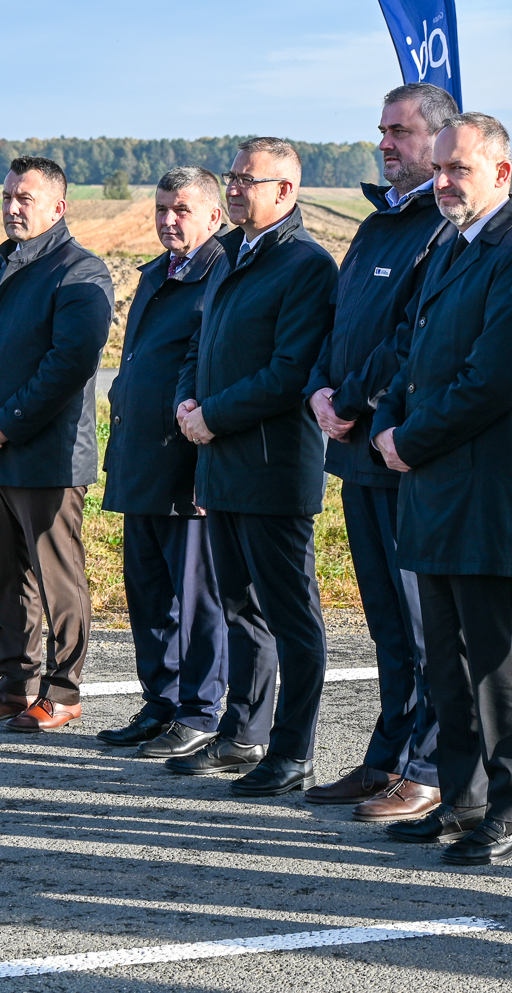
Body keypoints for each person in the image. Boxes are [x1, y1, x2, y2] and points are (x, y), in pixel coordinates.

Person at [370, 112, 512, 866]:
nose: (444, 181)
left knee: (493, 662)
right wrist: (388, 420)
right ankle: (462, 800)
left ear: (501, 174)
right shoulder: (447, 247)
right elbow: (408, 352)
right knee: (444, 662)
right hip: (427, 488)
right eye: (441, 168)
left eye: (460, 170)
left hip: (482, 493)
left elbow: (489, 381)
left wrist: (407, 440)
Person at [302, 82, 455, 821]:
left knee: (423, 625)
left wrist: (354, 399)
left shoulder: (438, 229)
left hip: (399, 452)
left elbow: (411, 343)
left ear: (440, 140)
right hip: (352, 454)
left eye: (400, 131)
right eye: (382, 130)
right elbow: (336, 326)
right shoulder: (375, 227)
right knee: (387, 626)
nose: (385, 142)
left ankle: (429, 768)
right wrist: (319, 391)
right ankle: (385, 756)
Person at [170, 136, 338, 796]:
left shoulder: (304, 265)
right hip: (223, 465)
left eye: (248, 180)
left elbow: (288, 372)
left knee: (291, 616)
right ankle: (243, 733)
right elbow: (200, 343)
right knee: (239, 608)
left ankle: (293, 750)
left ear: (286, 192)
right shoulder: (231, 257)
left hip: (272, 469)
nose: (235, 188)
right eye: (232, 178)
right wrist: (189, 398)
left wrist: (211, 414)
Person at [0, 157, 114, 734]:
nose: (13, 207)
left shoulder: (81, 273)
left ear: (58, 207)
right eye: (7, 196)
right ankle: (15, 684)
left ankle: (63, 691)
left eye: (26, 198)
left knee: (56, 577)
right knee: (6, 578)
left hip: (47, 454)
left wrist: (6, 424)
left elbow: (69, 365)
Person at [95, 167, 230, 760]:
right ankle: (162, 700)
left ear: (213, 216)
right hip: (139, 457)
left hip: (186, 463)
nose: (168, 220)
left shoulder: (219, 276)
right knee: (148, 593)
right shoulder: (158, 274)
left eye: (181, 210)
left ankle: (200, 711)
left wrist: (204, 466)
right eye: (160, 209)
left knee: (196, 598)